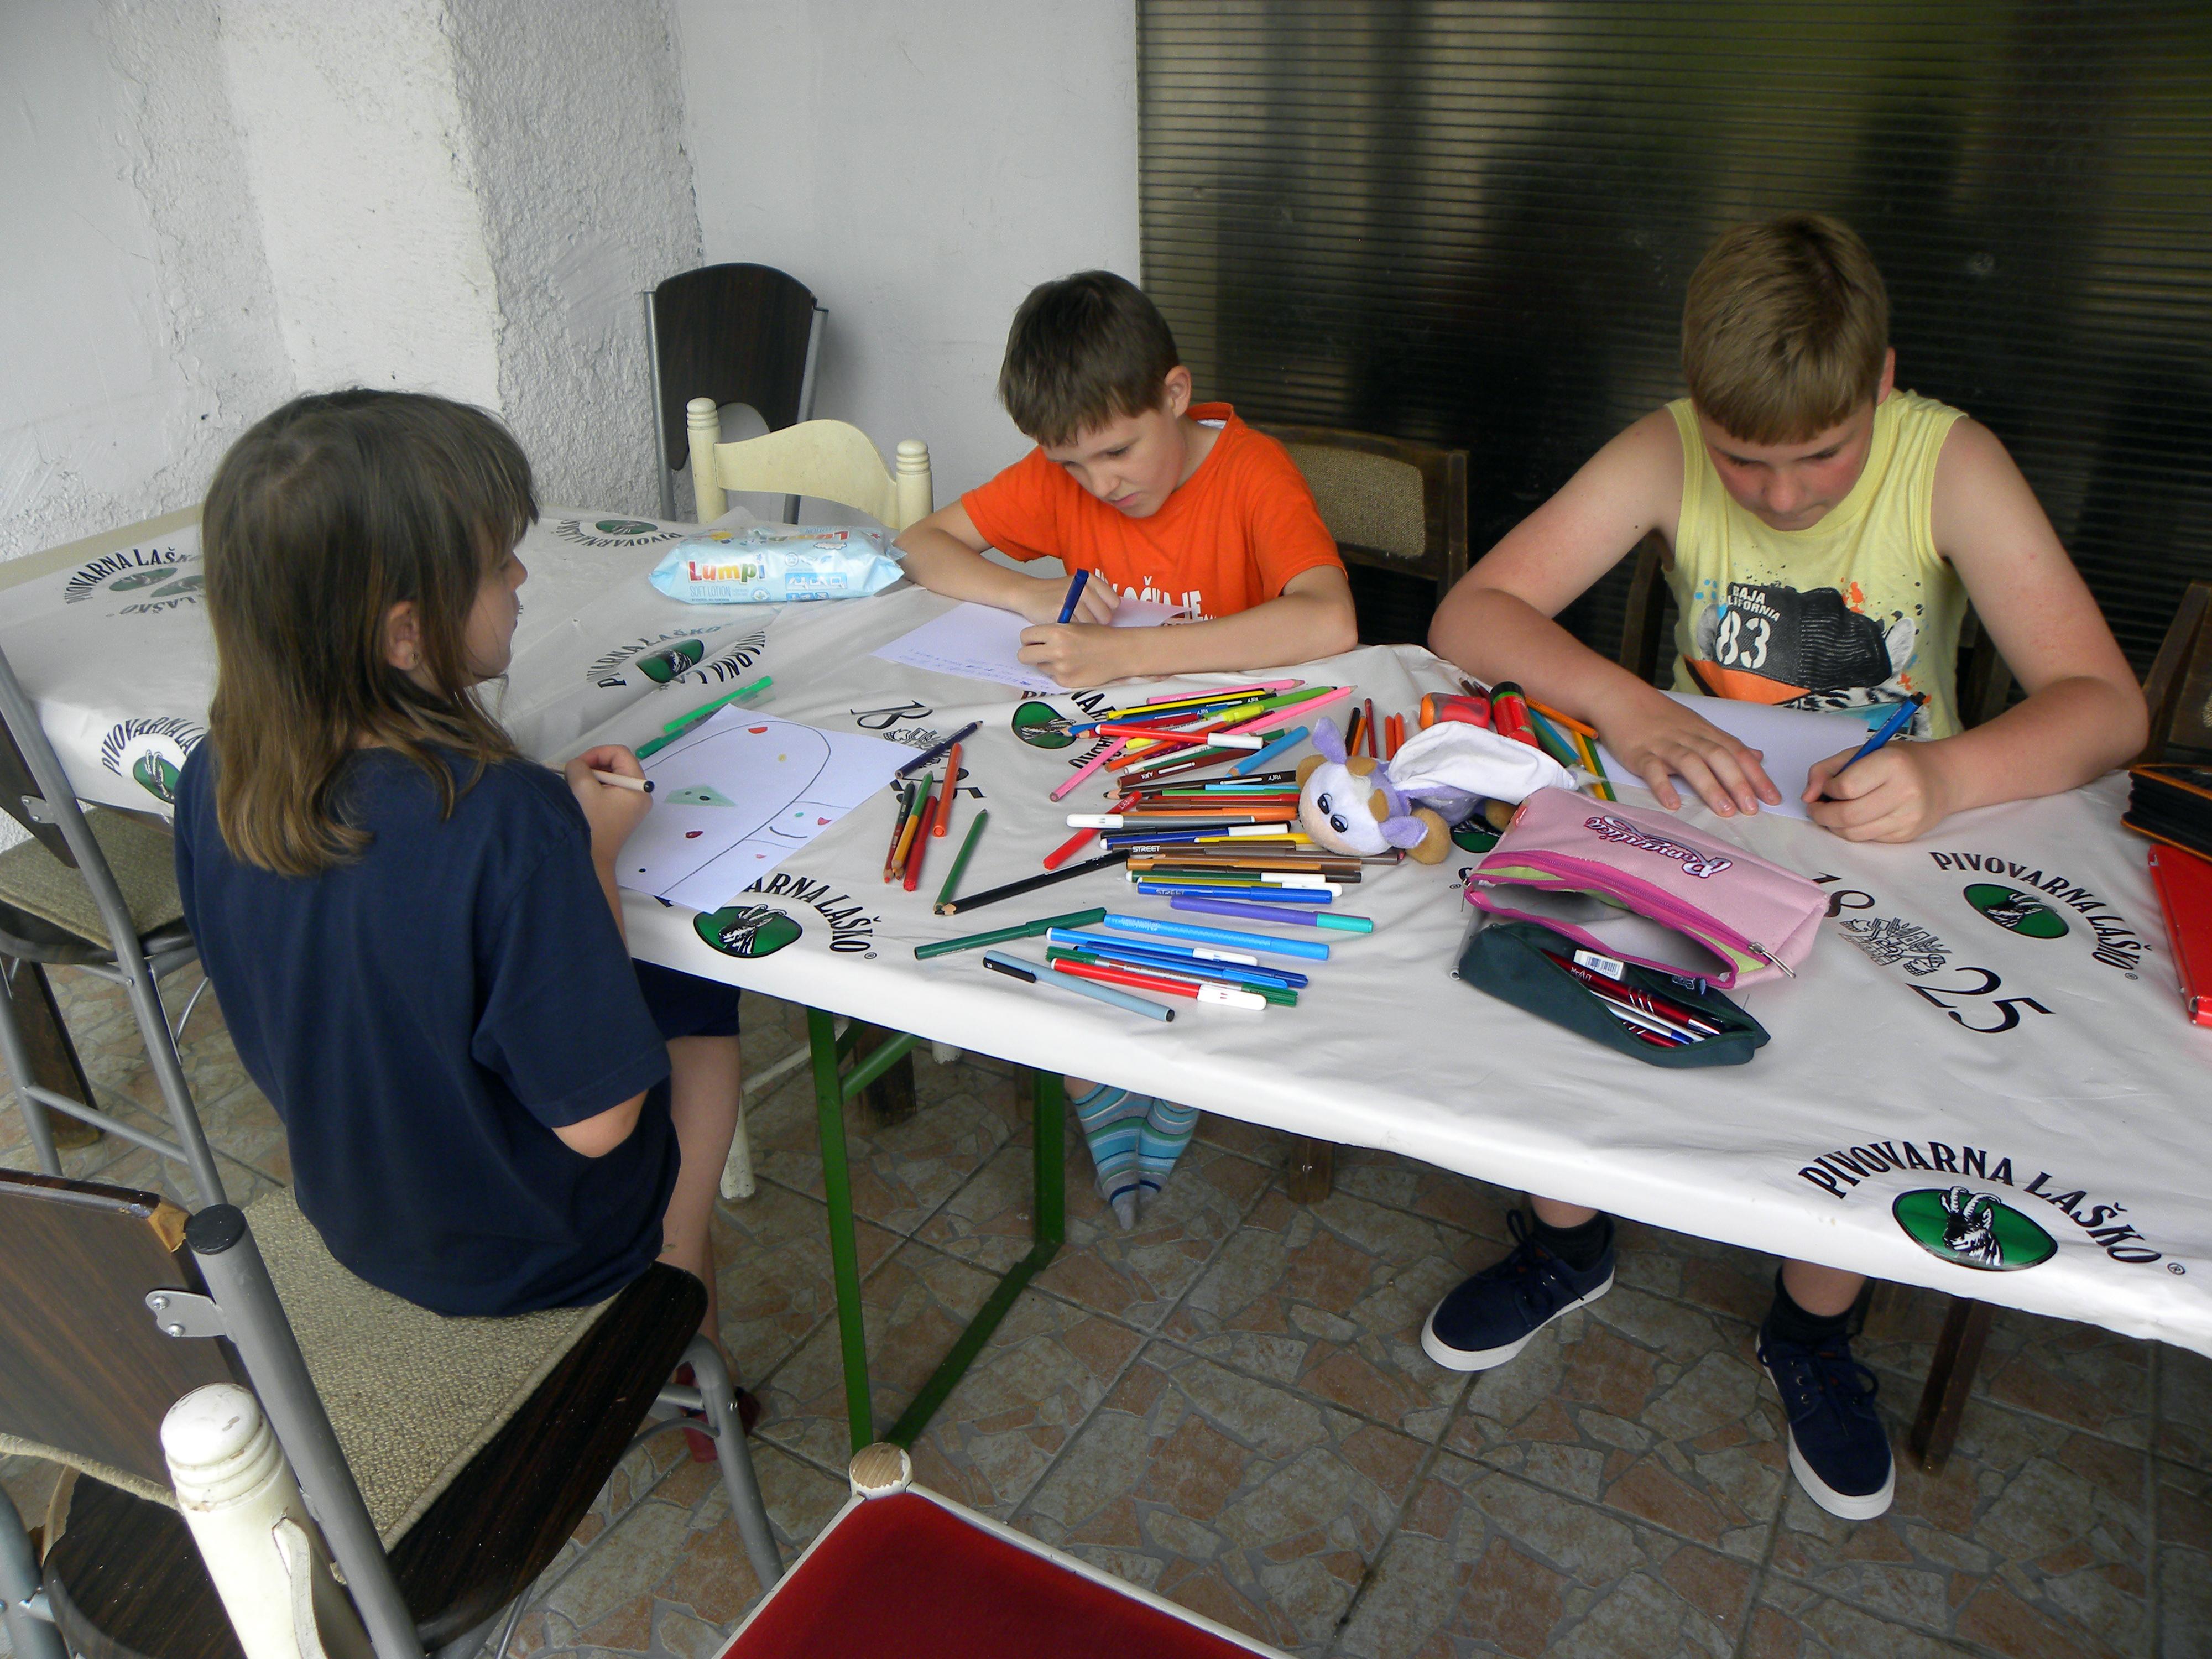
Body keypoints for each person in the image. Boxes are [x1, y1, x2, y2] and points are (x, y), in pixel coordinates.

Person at [1423, 213, 2147, 1520]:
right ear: (1695, 407)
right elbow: (1470, 612)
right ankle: (1566, 1247)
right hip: (1698, 815)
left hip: (1885, 835)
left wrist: (1945, 776)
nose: (1781, 496)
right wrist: (1627, 706)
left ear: (1880, 384)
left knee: (1875, 1079)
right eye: (1741, 459)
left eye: (1820, 455)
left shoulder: (1945, 461)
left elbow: (2104, 707)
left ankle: (1809, 1326)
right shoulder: (1661, 446)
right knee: (1563, 986)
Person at [174, 390, 744, 1353]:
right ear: (406, 634)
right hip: (542, 1252)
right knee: (700, 998)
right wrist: (592, 855)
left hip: (356, 1212)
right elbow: (601, 1126)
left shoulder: (214, 770)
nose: (521, 576)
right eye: (495, 563)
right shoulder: (508, 819)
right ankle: (674, 1298)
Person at [898, 270, 1361, 1225]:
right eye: (1072, 466)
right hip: (1101, 755)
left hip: (1231, 758)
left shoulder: (1251, 471)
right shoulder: (1067, 472)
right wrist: (1029, 591)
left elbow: (1330, 618)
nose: (1100, 485)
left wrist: (1127, 654)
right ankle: (1097, 1073)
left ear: (1176, 394)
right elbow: (922, 543)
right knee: (1032, 867)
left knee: (1199, 893)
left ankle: (1165, 1063)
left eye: (1117, 453)